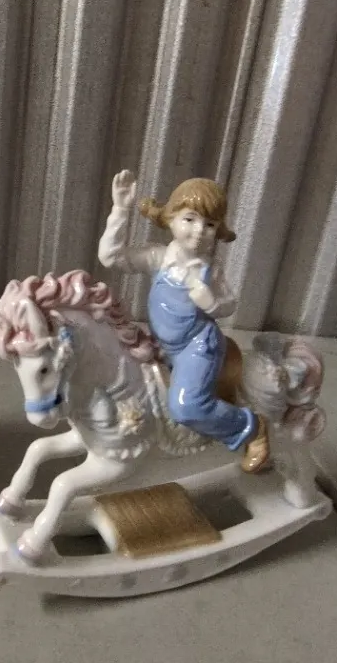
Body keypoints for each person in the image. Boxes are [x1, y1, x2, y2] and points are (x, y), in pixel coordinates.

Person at [98, 170, 269, 473]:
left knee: (186, 406)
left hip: (197, 345)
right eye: (190, 219)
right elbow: (112, 258)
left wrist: (211, 302)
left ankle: (251, 427)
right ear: (171, 218)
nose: (199, 230)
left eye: (210, 224)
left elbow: (230, 303)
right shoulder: (158, 257)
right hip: (160, 343)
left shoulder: (210, 269)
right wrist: (121, 209)